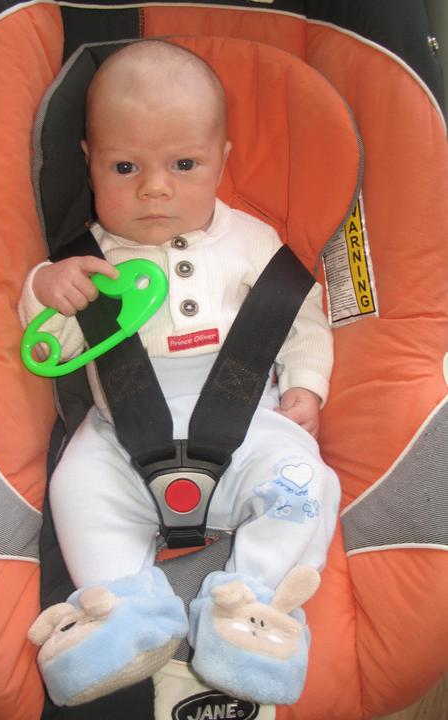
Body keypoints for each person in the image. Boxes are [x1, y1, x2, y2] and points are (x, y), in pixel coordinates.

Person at [20, 40, 340, 708]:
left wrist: (306, 385)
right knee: (75, 486)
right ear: (89, 161)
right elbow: (48, 345)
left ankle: (250, 605)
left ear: (223, 159)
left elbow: (301, 317)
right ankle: (125, 612)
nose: (155, 188)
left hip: (250, 421)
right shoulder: (89, 261)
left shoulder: (252, 243)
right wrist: (47, 288)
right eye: (125, 167)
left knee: (307, 482)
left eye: (184, 164)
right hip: (121, 431)